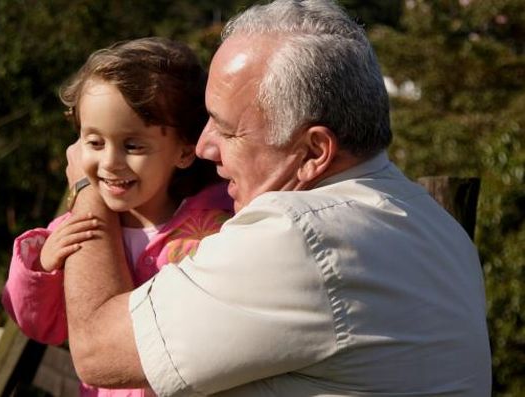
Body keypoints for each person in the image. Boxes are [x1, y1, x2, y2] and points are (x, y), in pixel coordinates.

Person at [61, 0, 492, 395]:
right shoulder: (435, 226)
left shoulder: (298, 235)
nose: (206, 147)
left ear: (313, 152)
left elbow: (98, 351)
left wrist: (85, 187)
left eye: (228, 130)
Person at [1, 37, 233, 397]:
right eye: (94, 143)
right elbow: (42, 325)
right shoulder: (75, 229)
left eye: (132, 145)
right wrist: (42, 267)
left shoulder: (216, 225)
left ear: (185, 151)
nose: (110, 162)